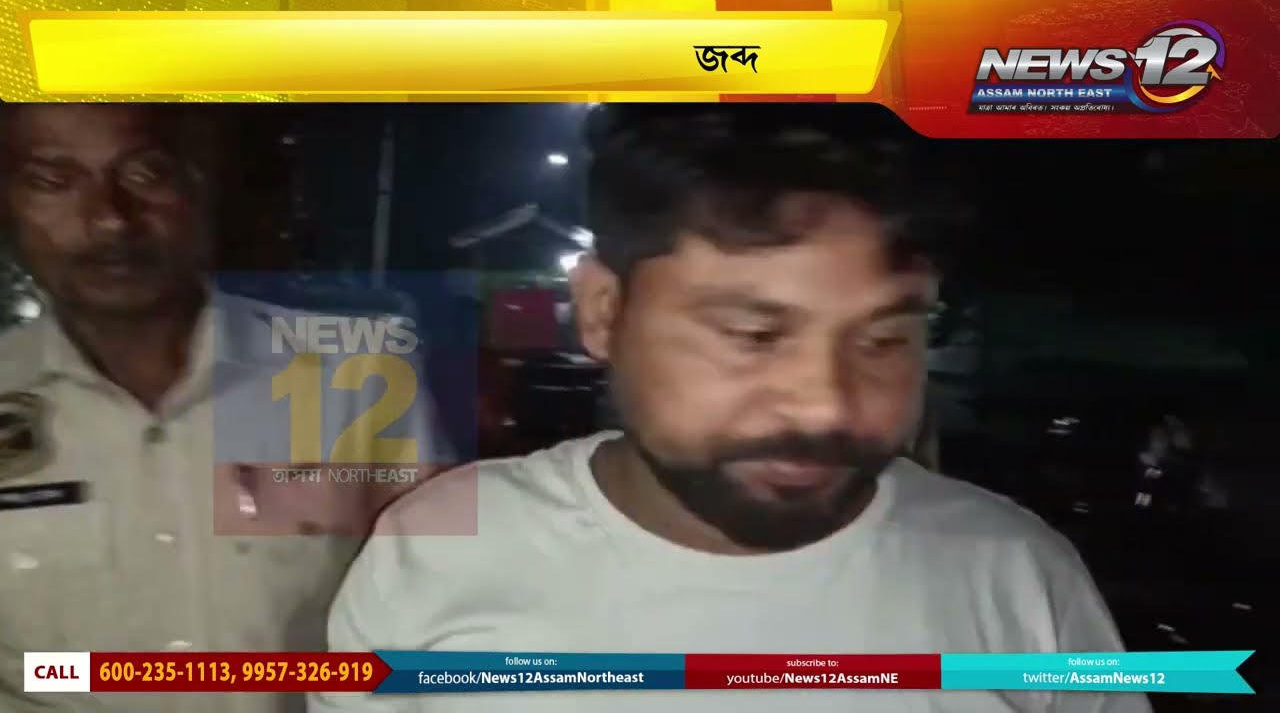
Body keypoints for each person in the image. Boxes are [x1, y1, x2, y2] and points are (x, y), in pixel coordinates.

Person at [312, 105, 1151, 713]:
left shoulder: (1016, 572)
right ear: (604, 311)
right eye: (753, 335)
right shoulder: (443, 545)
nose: (825, 404)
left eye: (883, 339)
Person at [0, 104, 444, 713]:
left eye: (145, 173)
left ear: (197, 186)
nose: (109, 218)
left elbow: (437, 618)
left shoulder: (357, 378)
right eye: (53, 180)